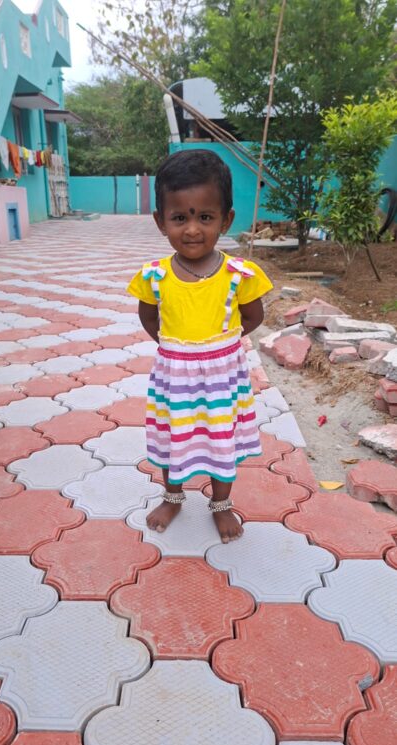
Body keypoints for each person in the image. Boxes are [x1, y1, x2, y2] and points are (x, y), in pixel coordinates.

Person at [127, 149, 273, 543]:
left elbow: (253, 316)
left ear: (226, 219)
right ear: (160, 221)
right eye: (180, 218)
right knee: (173, 436)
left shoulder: (239, 274)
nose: (192, 229)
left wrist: (220, 347)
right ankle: (172, 496)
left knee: (221, 439)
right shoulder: (154, 276)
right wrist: (177, 350)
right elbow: (149, 317)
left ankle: (221, 504)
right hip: (174, 378)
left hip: (223, 377)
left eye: (205, 217)